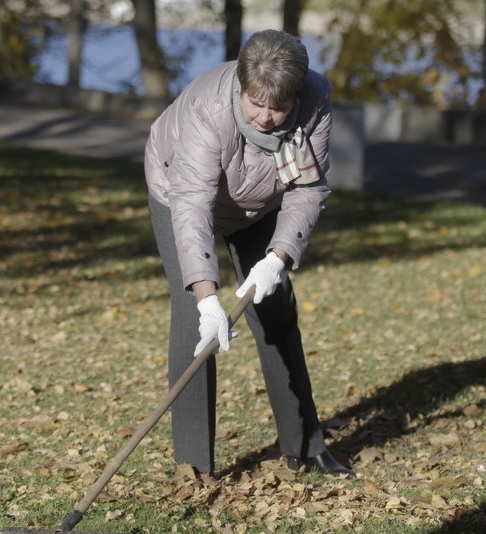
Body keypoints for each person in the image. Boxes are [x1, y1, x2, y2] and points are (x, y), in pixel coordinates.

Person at [143, 29, 353, 478]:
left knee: (276, 308)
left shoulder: (315, 100)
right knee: (192, 318)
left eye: (277, 108)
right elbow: (193, 206)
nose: (265, 117)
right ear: (240, 87)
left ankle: (305, 446)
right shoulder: (207, 108)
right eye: (256, 103)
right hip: (179, 193)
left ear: (295, 96)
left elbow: (308, 188)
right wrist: (206, 297)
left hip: (261, 201)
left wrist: (277, 257)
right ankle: (194, 467)